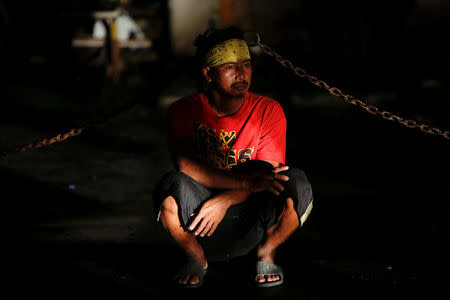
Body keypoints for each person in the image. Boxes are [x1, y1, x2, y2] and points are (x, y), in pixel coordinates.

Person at [153, 26, 313, 288]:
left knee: (296, 181)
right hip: (201, 222)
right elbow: (186, 165)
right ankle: (196, 258)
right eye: (230, 66)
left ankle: (267, 252)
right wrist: (245, 185)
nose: (241, 74)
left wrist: (227, 199)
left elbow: (268, 176)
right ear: (208, 73)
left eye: (246, 65)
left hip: (254, 220)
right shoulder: (184, 110)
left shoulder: (268, 110)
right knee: (171, 185)